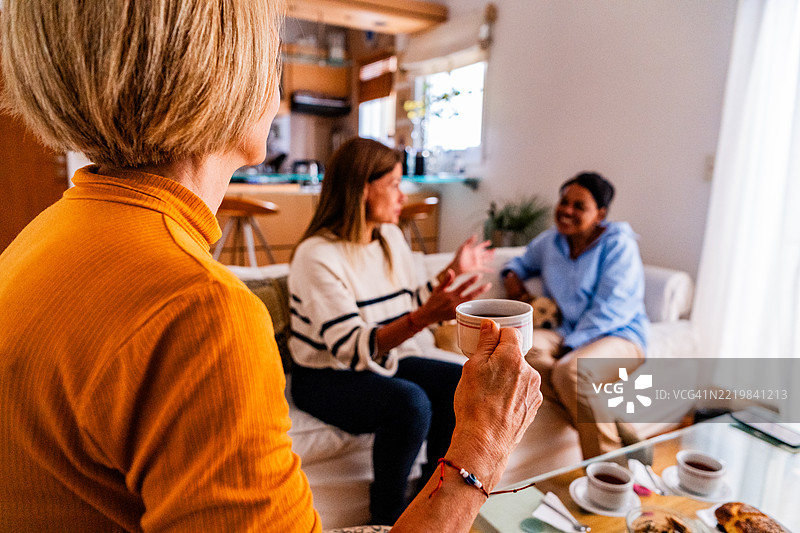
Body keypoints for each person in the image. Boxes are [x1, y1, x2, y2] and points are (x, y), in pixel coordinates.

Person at [0, 2, 542, 532]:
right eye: (271, 58)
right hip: (336, 373)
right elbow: (356, 342)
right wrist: (483, 448)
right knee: (413, 404)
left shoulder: (38, 238)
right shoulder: (203, 312)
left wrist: (445, 282)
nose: (276, 87)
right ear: (223, 76)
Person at [289, 137, 499, 524]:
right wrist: (425, 317)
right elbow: (352, 347)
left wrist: (450, 272)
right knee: (410, 403)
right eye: (394, 185)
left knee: (461, 381)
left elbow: (406, 301)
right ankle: (385, 515)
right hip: (324, 375)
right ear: (364, 189)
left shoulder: (389, 238)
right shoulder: (316, 255)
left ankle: (431, 496)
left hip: (379, 359)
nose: (403, 196)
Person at [501, 172, 649, 458]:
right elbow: (519, 261)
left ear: (600, 214)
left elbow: (612, 308)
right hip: (567, 331)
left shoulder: (619, 245)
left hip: (619, 335)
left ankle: (610, 470)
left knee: (571, 371)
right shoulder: (549, 242)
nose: (567, 210)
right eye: (564, 201)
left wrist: (571, 346)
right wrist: (511, 276)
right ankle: (617, 427)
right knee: (523, 352)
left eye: (579, 206)